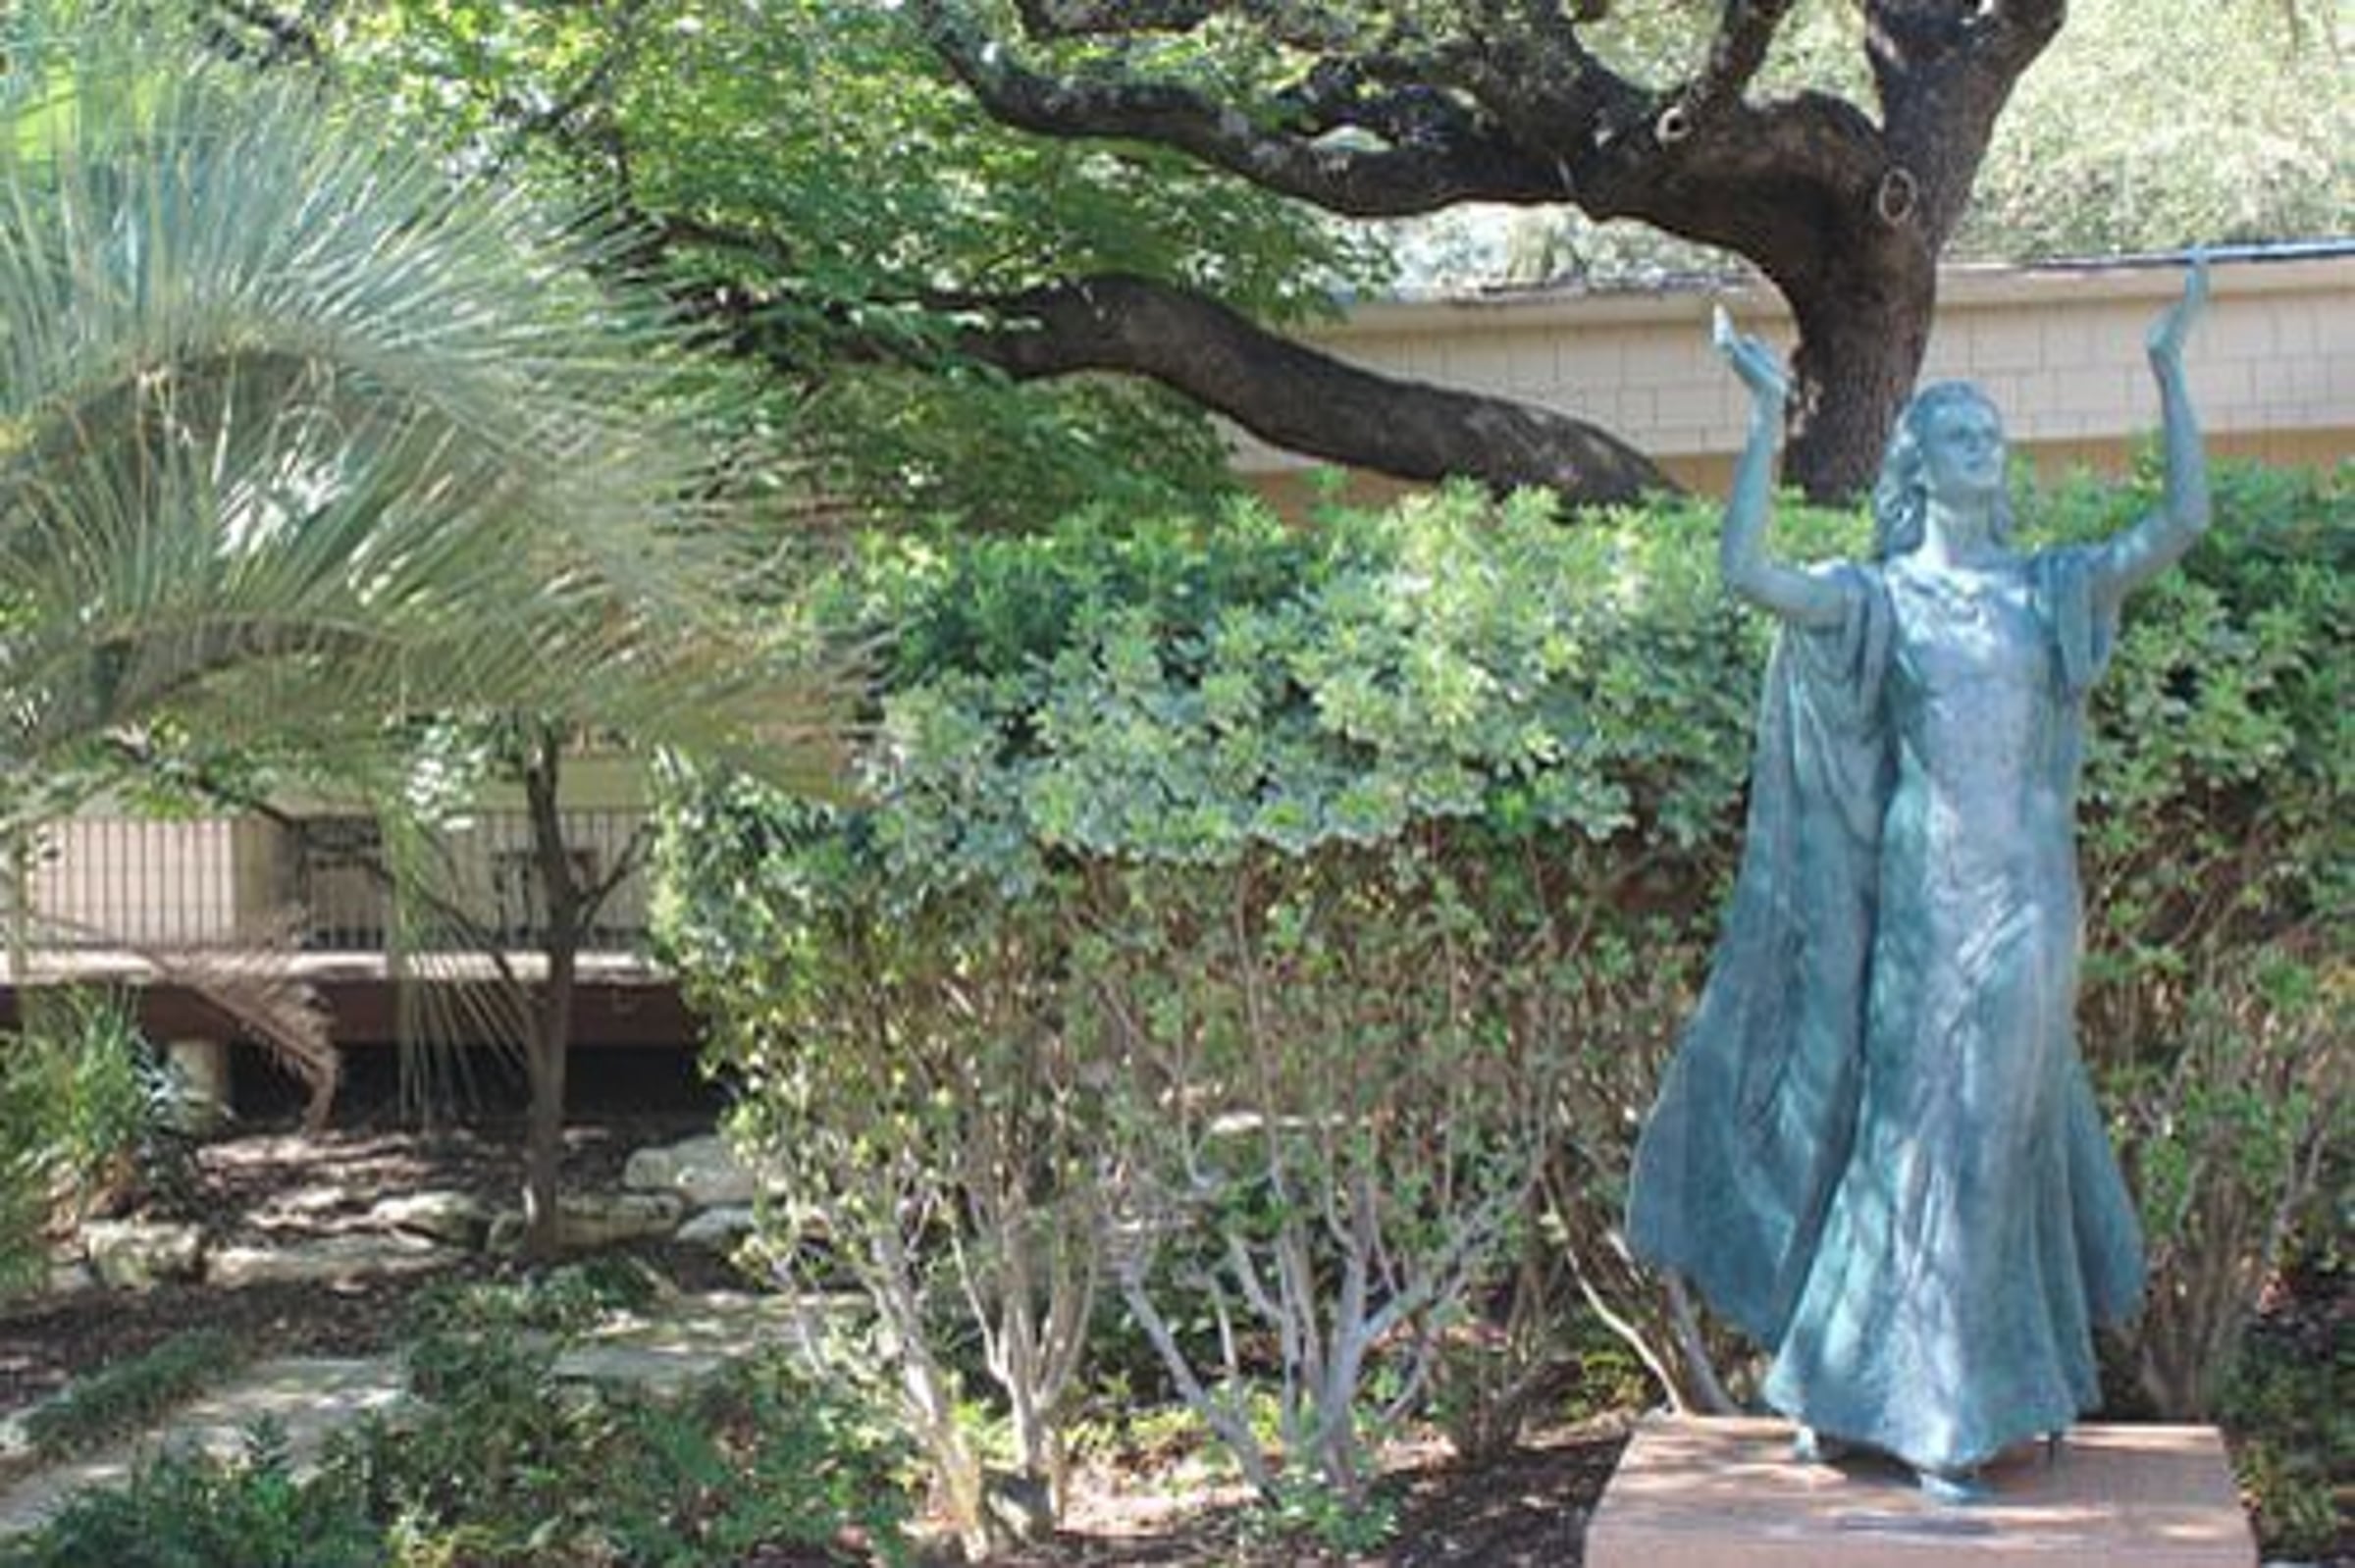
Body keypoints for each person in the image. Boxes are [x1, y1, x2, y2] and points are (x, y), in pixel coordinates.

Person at [1626, 258, 2212, 1500]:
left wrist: (2168, 370)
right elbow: (1751, 574)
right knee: (1908, 1138)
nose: (1982, 443)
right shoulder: (1880, 598)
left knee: (1994, 1139)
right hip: (1920, 908)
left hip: (2029, 906)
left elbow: (2179, 524)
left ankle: (1945, 1395)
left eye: (1991, 432)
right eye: (1957, 432)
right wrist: (1759, 418)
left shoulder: (2049, 589)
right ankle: (1872, 1393)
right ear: (1919, 466)